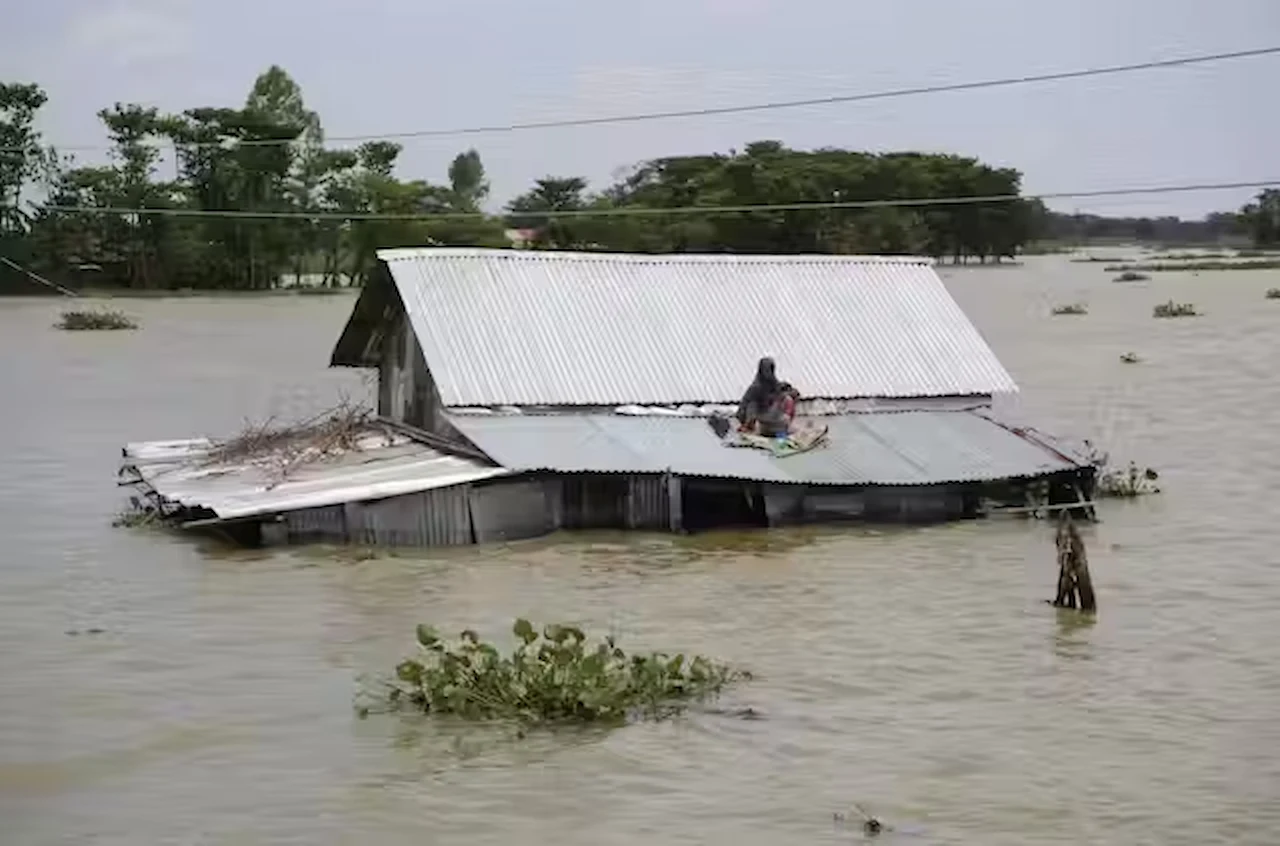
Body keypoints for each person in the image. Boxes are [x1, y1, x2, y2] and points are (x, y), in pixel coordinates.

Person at [736, 357, 790, 437]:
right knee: (753, 404)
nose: (769, 372)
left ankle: (776, 428)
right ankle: (749, 427)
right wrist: (746, 421)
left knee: (787, 399)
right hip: (753, 415)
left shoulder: (773, 382)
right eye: (767, 369)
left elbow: (778, 393)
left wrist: (784, 389)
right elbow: (744, 407)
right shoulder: (756, 386)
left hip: (767, 414)